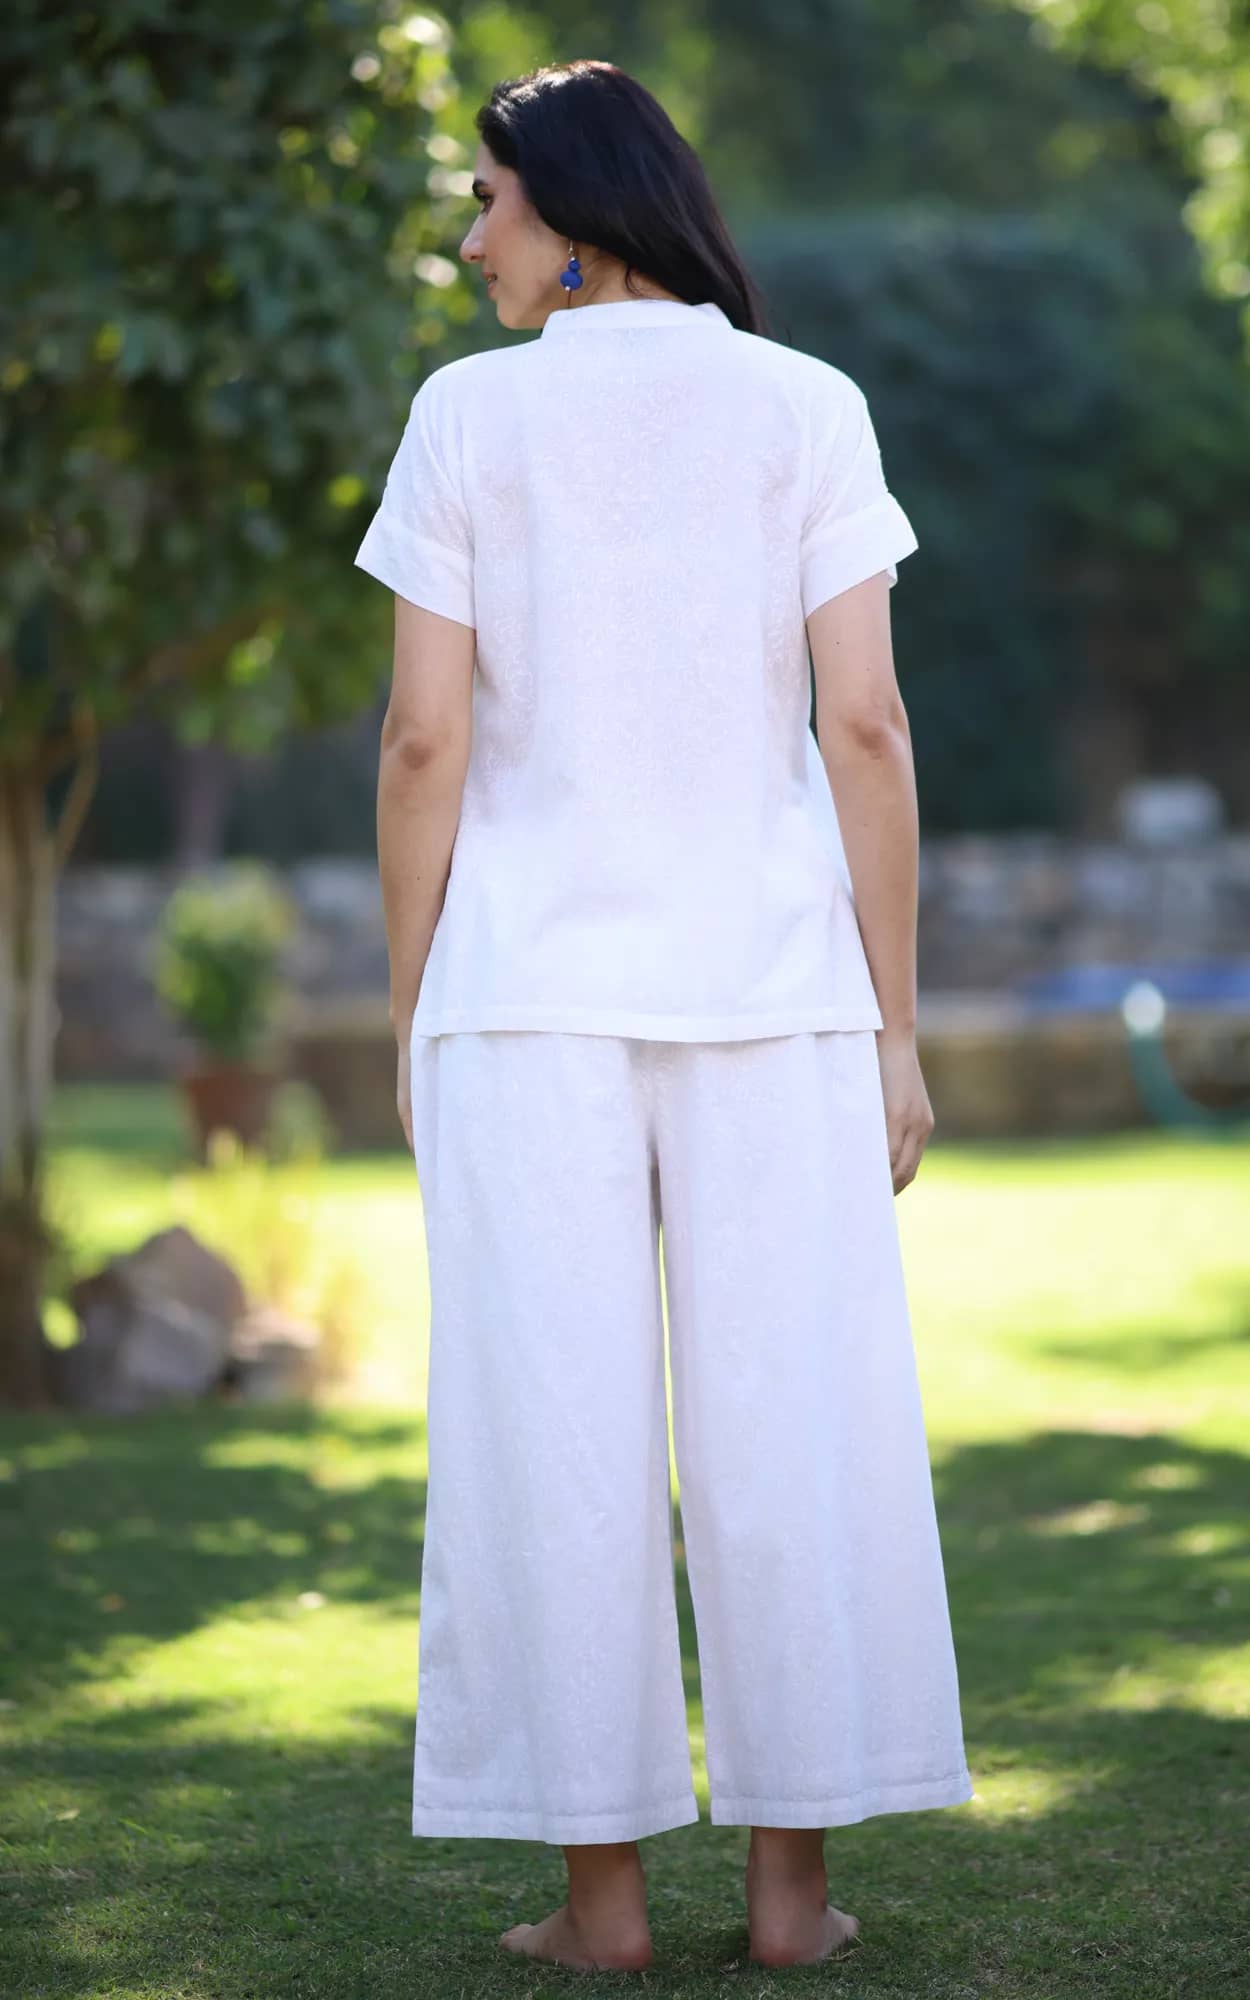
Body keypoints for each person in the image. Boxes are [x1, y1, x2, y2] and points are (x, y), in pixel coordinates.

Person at [354, 56, 974, 1975]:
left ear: (574, 209)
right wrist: (894, 1026)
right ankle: (789, 1899)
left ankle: (600, 1905)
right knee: (795, 1422)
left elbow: (421, 741)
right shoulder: (807, 406)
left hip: (527, 1001)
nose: (471, 239)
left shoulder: (466, 418)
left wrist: (411, 1002)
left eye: (488, 200)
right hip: (775, 994)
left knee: (549, 1436)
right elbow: (863, 724)